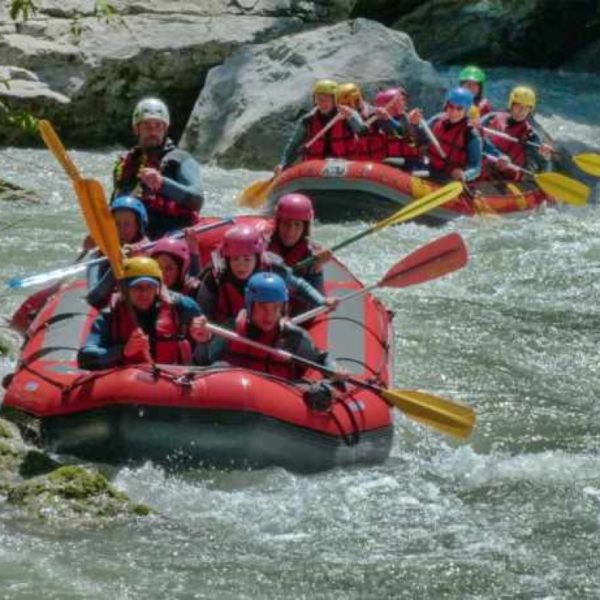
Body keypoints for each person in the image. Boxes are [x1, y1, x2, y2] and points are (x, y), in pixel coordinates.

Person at [192, 272, 338, 385]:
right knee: (219, 367)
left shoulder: (292, 338)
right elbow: (202, 363)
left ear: (283, 307)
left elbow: (321, 359)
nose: (270, 315)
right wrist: (203, 342)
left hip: (276, 407)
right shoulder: (231, 331)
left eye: (276, 307)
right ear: (250, 305)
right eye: (262, 306)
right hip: (235, 402)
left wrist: (334, 370)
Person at [78, 257, 203, 370]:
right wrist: (123, 351)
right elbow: (84, 359)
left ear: (158, 288)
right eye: (137, 287)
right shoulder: (110, 314)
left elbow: (210, 345)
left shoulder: (181, 305)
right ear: (124, 289)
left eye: (149, 287)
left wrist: (206, 338)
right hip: (128, 385)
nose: (144, 293)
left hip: (173, 381)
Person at [196, 224, 334, 323]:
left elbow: (300, 287)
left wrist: (321, 300)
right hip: (229, 332)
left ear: (257, 258)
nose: (241, 265)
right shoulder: (215, 278)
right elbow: (204, 314)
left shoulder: (273, 268)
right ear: (227, 258)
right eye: (235, 259)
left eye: (247, 259)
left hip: (270, 330)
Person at [112, 97, 204, 239]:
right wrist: (100, 232)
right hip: (134, 236)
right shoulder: (125, 163)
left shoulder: (180, 159)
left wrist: (162, 183)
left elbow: (197, 200)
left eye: (158, 126)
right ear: (136, 129)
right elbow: (115, 206)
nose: (153, 131)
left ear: (165, 129)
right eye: (147, 126)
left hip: (172, 235)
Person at [274, 80, 367, 175]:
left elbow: (362, 131)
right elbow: (294, 145)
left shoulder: (348, 114)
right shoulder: (308, 120)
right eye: (319, 99)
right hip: (315, 171)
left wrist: (351, 117)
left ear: (335, 100)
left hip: (345, 169)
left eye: (326, 99)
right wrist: (283, 164)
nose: (322, 103)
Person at [86, 196, 150, 309]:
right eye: (117, 224)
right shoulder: (102, 248)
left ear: (138, 225)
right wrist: (92, 239)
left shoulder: (146, 247)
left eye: (127, 224)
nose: (121, 230)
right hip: (105, 303)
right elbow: (93, 297)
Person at [481, 86, 553, 180]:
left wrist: (546, 157)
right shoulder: (492, 117)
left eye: (526, 108)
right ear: (511, 105)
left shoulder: (530, 135)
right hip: (482, 170)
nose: (522, 111)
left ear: (530, 110)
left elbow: (544, 165)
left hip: (507, 181)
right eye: (518, 106)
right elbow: (471, 132)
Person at [266, 193, 330, 297]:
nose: (291, 231)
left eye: (297, 225)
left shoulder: (310, 253)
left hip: (297, 308)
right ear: (278, 224)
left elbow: (319, 301)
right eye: (286, 223)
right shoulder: (263, 247)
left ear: (304, 228)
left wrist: (317, 268)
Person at [424, 87, 482, 182]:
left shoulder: (471, 134)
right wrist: (415, 124)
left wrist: (465, 175)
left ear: (466, 111)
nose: (454, 112)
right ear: (446, 106)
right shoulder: (437, 119)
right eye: (451, 106)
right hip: (428, 168)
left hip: (449, 178)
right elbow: (420, 135)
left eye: (459, 108)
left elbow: (476, 168)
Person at [369, 87, 424, 168]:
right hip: (392, 164)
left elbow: (407, 138)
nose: (405, 103)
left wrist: (389, 118)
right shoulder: (378, 122)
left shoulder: (409, 119)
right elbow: (361, 130)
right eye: (401, 100)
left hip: (411, 163)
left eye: (404, 100)